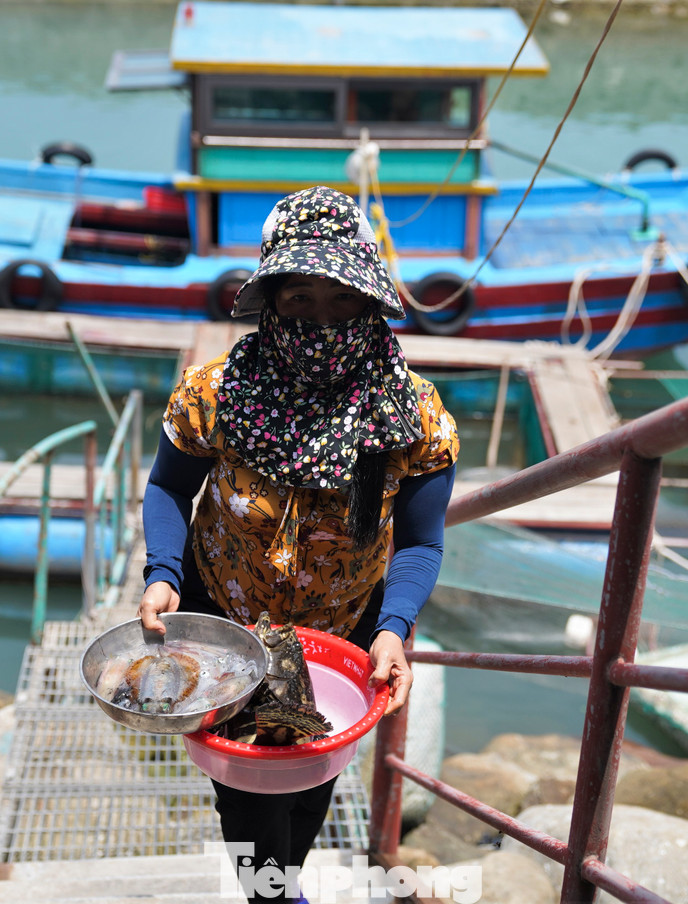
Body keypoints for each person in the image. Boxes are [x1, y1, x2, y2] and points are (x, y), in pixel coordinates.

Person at [138, 185, 459, 903]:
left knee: (314, 771)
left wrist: (394, 628)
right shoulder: (212, 395)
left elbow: (420, 541)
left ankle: (280, 888)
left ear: (371, 303)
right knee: (247, 793)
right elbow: (167, 489)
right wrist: (162, 573)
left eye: (341, 300)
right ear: (272, 302)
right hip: (224, 615)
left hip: (341, 628)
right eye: (301, 300)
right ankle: (274, 897)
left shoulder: (416, 418)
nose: (322, 322)